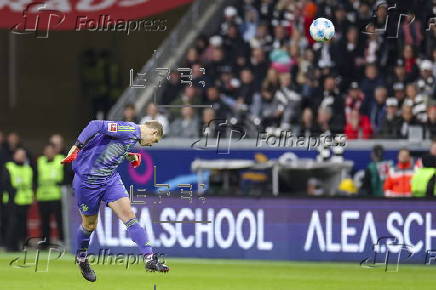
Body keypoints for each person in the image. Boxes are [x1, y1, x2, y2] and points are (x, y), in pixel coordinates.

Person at [62, 120, 169, 282]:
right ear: (154, 133)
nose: (150, 145)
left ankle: (149, 258)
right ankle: (82, 258)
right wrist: (77, 145)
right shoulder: (128, 129)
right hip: (87, 182)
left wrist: (128, 156)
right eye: (154, 142)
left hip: (109, 180)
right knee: (89, 225)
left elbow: (110, 146)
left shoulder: (132, 138)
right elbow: (96, 125)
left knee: (129, 216)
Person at [2, 148, 35, 251]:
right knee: (12, 224)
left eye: (23, 155)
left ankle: (19, 245)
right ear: (14, 155)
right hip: (12, 201)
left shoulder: (28, 169)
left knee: (22, 225)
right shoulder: (9, 167)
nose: (22, 157)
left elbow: (31, 184)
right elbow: (5, 184)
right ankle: (10, 246)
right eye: (20, 155)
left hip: (25, 201)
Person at [37, 144, 65, 247]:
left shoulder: (61, 160)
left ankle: (62, 241)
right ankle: (45, 242)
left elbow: (67, 175)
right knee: (44, 222)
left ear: (55, 151)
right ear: (44, 152)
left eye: (51, 151)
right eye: (47, 151)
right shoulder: (40, 161)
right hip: (43, 196)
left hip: (57, 196)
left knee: (59, 221)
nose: (49, 153)